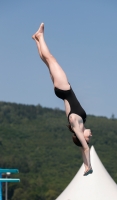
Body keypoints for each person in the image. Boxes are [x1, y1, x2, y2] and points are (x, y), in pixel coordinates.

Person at [32, 23, 93, 176]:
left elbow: (85, 147)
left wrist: (89, 166)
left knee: (51, 59)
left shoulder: (76, 124)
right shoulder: (78, 125)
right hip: (61, 91)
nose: (90, 136)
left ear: (82, 137)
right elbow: (82, 148)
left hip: (64, 89)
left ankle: (40, 37)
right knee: (47, 62)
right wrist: (85, 165)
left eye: (88, 138)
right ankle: (37, 40)